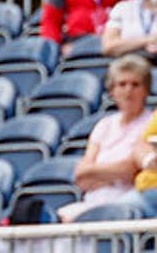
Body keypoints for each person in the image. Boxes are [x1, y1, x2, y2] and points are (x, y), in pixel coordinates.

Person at [62, 55, 155, 219]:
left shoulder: (150, 122)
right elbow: (81, 175)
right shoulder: (104, 125)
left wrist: (98, 173)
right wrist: (115, 174)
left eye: (135, 85)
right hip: (91, 203)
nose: (128, 91)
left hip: (129, 205)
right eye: (122, 84)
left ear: (146, 90)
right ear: (112, 91)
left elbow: (131, 170)